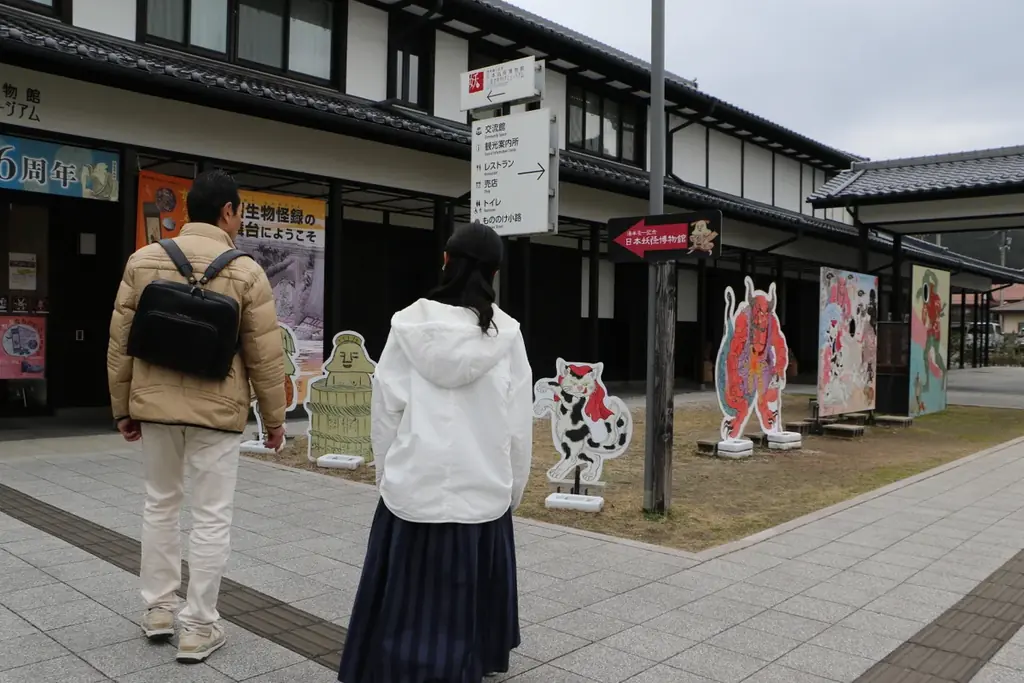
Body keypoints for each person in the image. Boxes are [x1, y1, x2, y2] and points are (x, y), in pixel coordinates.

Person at [338, 222, 533, 683]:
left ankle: (395, 662)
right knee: (469, 595)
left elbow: (384, 412)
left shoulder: (408, 326)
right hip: (482, 492)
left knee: (405, 594)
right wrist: (514, 490)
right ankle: (470, 659)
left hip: (414, 489)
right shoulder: (506, 336)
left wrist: (388, 476)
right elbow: (517, 425)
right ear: (493, 274)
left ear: (446, 262)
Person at [106, 170, 286, 663]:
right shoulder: (247, 271)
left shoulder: (143, 261)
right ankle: (198, 626)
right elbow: (265, 356)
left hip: (156, 407)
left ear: (188, 211)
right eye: (240, 211)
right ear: (227, 211)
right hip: (219, 411)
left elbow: (120, 344)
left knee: (160, 504)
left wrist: (123, 407)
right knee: (210, 517)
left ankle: (159, 609)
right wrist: (274, 421)